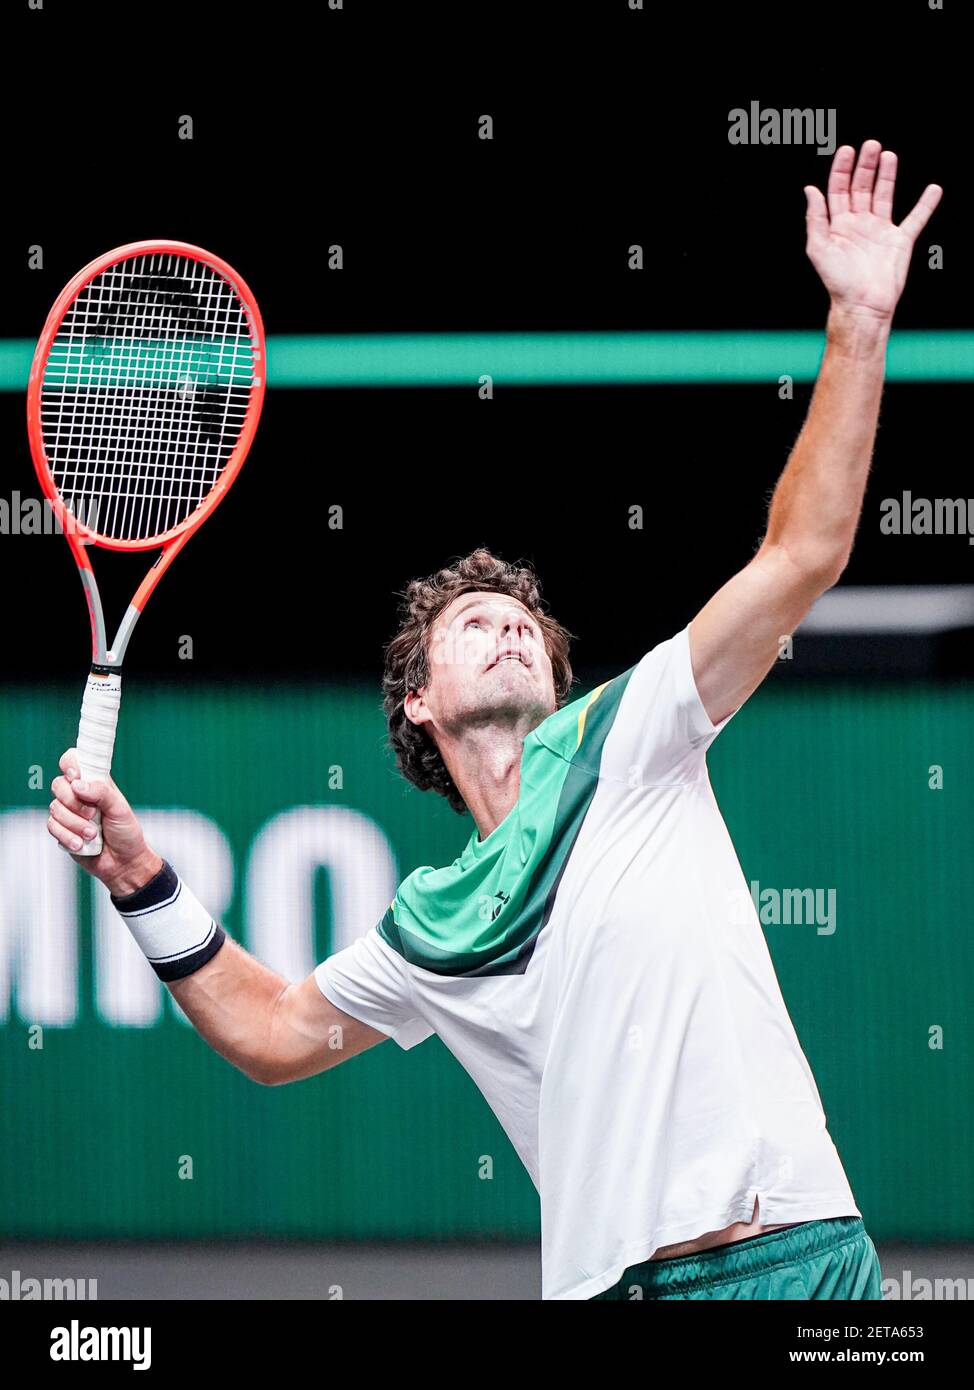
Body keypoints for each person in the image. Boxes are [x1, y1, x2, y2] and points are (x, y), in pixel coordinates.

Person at [48, 141, 940, 1300]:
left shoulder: (631, 740)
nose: (508, 625)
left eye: (522, 619)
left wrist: (857, 322)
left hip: (791, 1260)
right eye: (470, 622)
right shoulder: (434, 921)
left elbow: (802, 551)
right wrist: (135, 871)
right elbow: (270, 1033)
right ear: (416, 700)